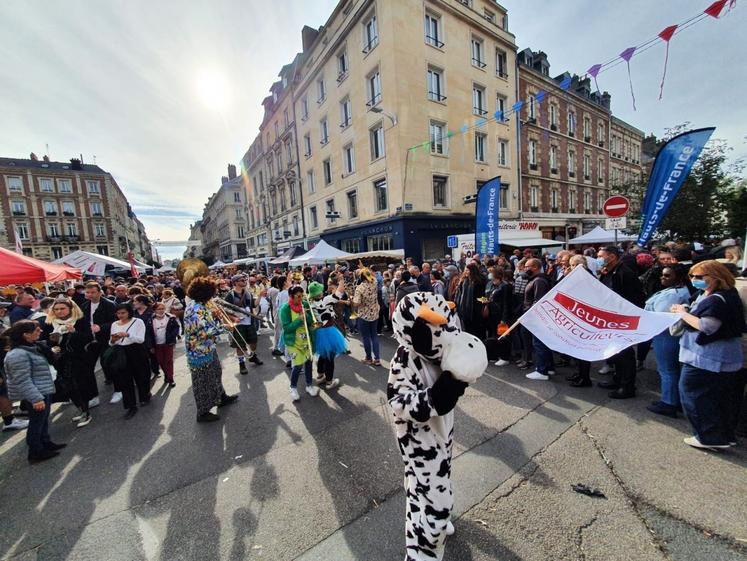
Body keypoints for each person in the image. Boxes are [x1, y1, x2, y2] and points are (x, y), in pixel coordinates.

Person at [387, 292, 488, 561]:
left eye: (449, 325)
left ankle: (423, 530)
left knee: (423, 485)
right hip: (419, 440)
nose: (448, 334)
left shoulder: (440, 353)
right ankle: (424, 550)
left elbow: (459, 371)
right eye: (438, 328)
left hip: (443, 433)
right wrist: (436, 397)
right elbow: (397, 402)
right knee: (437, 502)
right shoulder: (404, 359)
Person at [671, 260, 745, 450]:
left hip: (706, 358)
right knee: (719, 399)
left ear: (716, 277)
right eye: (692, 276)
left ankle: (709, 437)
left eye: (699, 277)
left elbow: (707, 327)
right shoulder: (719, 294)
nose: (694, 280)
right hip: (716, 356)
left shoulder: (718, 299)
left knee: (693, 395)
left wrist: (682, 313)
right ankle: (724, 435)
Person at [3, 320, 66, 463]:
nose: (40, 332)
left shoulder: (31, 347)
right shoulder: (17, 354)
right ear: (26, 335)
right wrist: (36, 398)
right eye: (36, 331)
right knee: (36, 423)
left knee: (42, 420)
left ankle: (45, 443)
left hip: (42, 389)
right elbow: (22, 380)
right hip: (36, 393)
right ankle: (35, 451)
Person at [183, 278, 238, 422]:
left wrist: (217, 316)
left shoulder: (200, 304)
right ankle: (202, 412)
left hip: (208, 347)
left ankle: (221, 397)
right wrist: (227, 326)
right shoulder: (195, 309)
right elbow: (207, 331)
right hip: (198, 352)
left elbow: (209, 322)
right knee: (202, 382)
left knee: (216, 372)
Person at [596, 246, 645, 398]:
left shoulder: (625, 274)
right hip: (610, 319)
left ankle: (627, 387)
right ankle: (617, 379)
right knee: (616, 352)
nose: (598, 259)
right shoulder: (608, 272)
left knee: (625, 354)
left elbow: (635, 299)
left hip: (622, 320)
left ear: (612, 257)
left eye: (601, 256)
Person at [644, 265, 692, 417]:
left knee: (667, 370)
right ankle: (673, 399)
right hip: (667, 335)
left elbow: (660, 317)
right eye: (662, 275)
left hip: (666, 335)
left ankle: (669, 403)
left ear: (678, 278)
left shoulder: (672, 295)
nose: (662, 278)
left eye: (667, 276)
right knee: (670, 369)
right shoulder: (675, 291)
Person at [43, 298, 95, 428]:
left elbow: (88, 338)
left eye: (62, 308)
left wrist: (74, 332)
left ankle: (86, 412)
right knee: (69, 387)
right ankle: (82, 410)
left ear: (70, 309)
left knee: (81, 386)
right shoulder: (50, 323)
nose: (59, 312)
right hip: (61, 360)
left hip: (79, 359)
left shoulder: (80, 321)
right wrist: (53, 346)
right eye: (56, 309)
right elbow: (47, 341)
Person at [109, 303, 152, 419]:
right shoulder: (114, 324)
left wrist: (128, 335)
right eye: (118, 313)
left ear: (129, 312)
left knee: (141, 376)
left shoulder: (138, 322)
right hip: (122, 352)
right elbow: (111, 342)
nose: (120, 315)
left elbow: (140, 339)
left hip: (136, 351)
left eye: (123, 313)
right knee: (125, 380)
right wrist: (113, 339)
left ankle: (145, 396)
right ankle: (131, 406)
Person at [280, 286, 319, 401]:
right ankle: (293, 387)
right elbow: (286, 328)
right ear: (291, 296)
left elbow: (311, 321)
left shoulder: (304, 305)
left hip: (306, 340)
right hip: (293, 342)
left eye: (302, 296)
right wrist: (299, 320)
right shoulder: (285, 309)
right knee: (297, 365)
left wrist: (307, 316)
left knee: (308, 363)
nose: (301, 299)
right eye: (298, 296)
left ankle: (309, 385)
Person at [82, 281, 117, 401]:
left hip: (106, 338)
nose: (90, 295)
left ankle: (115, 384)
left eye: (93, 292)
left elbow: (116, 322)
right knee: (88, 366)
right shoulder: (85, 305)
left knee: (107, 361)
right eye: (88, 292)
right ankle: (92, 394)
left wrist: (101, 327)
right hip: (91, 339)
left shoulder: (109, 304)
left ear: (100, 292)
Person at [308, 281, 347, 390]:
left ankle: (320, 375)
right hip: (329, 331)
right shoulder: (325, 301)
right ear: (319, 293)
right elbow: (339, 293)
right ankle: (329, 382)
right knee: (330, 357)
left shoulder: (310, 303)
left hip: (319, 332)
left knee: (322, 354)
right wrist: (341, 280)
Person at [223, 275, 263, 374]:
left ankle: (252, 356)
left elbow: (254, 305)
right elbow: (224, 311)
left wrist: (260, 296)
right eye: (242, 280)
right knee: (240, 346)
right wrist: (234, 318)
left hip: (249, 322)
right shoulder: (230, 295)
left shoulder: (248, 293)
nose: (245, 281)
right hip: (238, 324)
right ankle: (242, 364)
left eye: (245, 280)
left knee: (253, 342)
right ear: (236, 282)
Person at [522, 258, 555, 381]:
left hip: (537, 317)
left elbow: (538, 301)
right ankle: (549, 367)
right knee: (543, 343)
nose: (525, 269)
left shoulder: (539, 281)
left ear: (535, 267)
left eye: (527, 266)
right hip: (536, 316)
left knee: (539, 343)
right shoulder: (536, 280)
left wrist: (530, 315)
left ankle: (542, 370)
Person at [353, 268, 382, 366]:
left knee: (366, 337)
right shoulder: (374, 283)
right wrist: (363, 268)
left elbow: (356, 303)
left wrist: (352, 299)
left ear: (361, 277)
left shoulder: (360, 287)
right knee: (374, 336)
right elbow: (373, 276)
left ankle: (368, 358)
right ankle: (377, 359)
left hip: (364, 315)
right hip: (374, 313)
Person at [152, 302, 180, 388]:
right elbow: (148, 333)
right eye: (159, 309)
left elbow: (176, 327)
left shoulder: (171, 317)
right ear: (155, 310)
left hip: (168, 343)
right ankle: (166, 374)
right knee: (161, 361)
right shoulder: (150, 319)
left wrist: (172, 336)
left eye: (162, 308)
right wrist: (150, 345)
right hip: (157, 344)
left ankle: (171, 378)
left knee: (169, 361)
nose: (161, 311)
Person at [455, 263, 486, 339]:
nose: (465, 271)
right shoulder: (463, 281)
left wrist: (483, 305)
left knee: (477, 331)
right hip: (464, 310)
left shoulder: (479, 282)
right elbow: (460, 295)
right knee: (467, 330)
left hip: (475, 311)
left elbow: (483, 296)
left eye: (467, 270)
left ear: (472, 271)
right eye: (465, 270)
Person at [485, 269, 512, 359]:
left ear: (498, 277)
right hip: (493, 314)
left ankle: (505, 357)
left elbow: (506, 303)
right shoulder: (493, 285)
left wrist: (504, 318)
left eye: (494, 278)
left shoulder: (505, 286)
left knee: (503, 336)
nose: (492, 280)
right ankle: (496, 354)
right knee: (494, 335)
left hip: (500, 314)